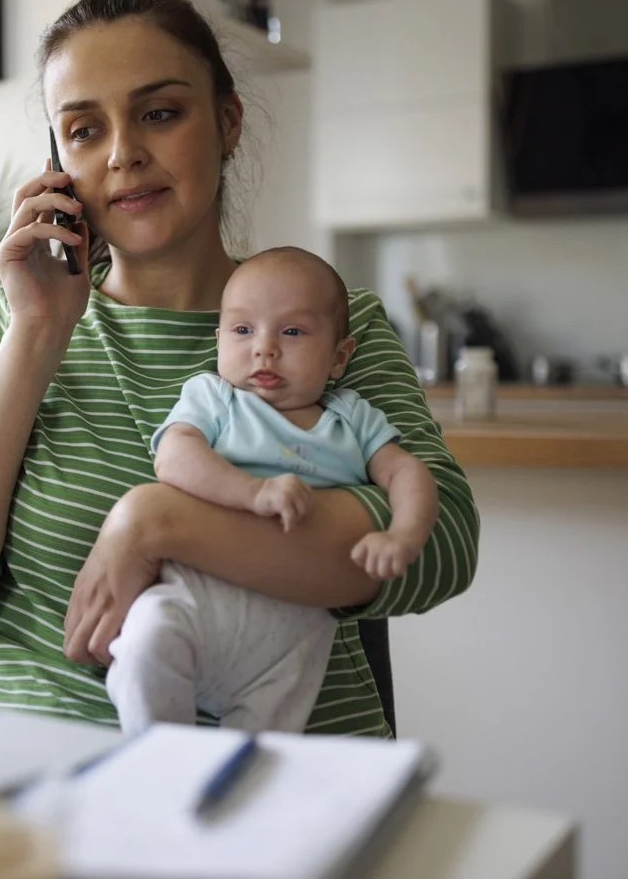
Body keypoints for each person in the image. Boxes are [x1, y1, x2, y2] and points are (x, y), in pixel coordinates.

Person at [0, 0, 479, 738]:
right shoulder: (11, 325)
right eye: (85, 130)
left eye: (159, 113)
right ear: (58, 162)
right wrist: (37, 336)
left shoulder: (322, 326)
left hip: (277, 786)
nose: (123, 154)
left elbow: (440, 545)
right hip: (28, 779)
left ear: (226, 123)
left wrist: (155, 522)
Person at [106, 247, 439, 734]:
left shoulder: (351, 418)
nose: (265, 348)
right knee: (145, 649)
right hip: (195, 595)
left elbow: (410, 474)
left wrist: (403, 536)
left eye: (292, 332)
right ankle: (161, 761)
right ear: (218, 339)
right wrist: (252, 493)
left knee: (260, 756)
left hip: (294, 628)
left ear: (339, 356)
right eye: (243, 330)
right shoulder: (215, 398)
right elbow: (173, 457)